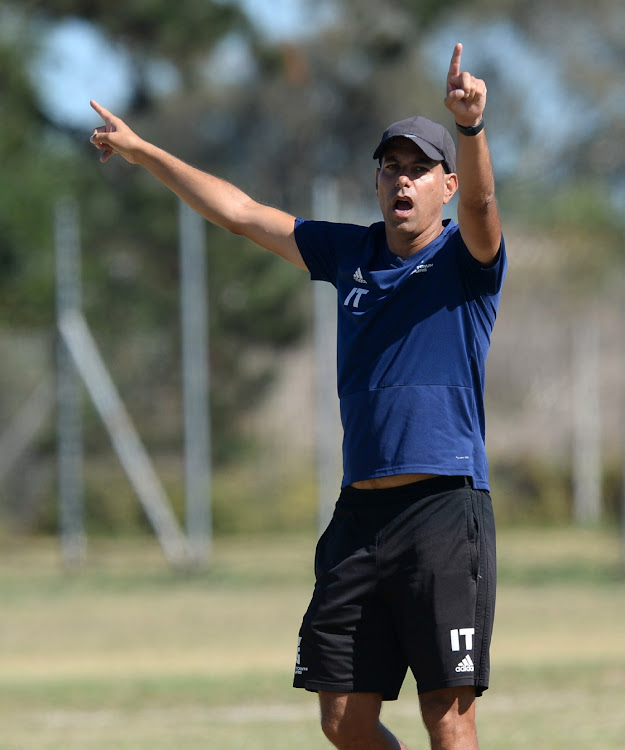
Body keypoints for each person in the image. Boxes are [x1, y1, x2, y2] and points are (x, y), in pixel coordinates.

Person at [90, 41, 505, 750]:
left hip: (443, 509)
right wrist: (141, 152)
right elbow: (241, 213)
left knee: (448, 716)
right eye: (390, 168)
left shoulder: (466, 261)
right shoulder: (351, 254)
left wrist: (468, 130)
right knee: (341, 718)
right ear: (376, 182)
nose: (401, 181)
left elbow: (482, 200)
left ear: (441, 186)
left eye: (418, 170)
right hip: (359, 513)